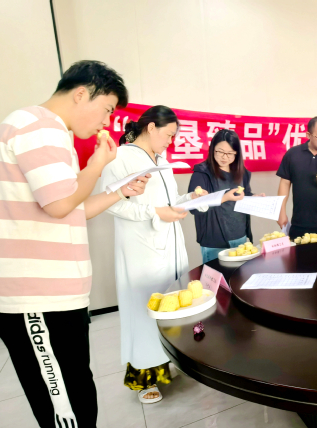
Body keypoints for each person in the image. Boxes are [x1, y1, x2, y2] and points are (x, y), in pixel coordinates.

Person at [0, 60, 149, 428]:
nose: (106, 121)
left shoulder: (46, 129)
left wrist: (120, 191)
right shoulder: (39, 127)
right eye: (107, 109)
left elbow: (71, 208)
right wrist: (97, 164)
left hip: (48, 294)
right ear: (81, 93)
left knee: (75, 389)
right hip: (34, 296)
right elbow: (61, 205)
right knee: (66, 402)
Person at [101, 106, 241, 403]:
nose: (171, 141)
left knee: (173, 306)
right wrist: (155, 212)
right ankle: (144, 379)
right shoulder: (121, 157)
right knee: (145, 309)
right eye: (169, 135)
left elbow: (170, 202)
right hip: (140, 249)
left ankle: (165, 365)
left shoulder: (162, 161)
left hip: (169, 246)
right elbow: (111, 203)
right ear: (151, 127)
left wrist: (190, 198)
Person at [190, 129, 260, 262]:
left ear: (237, 153)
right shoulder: (202, 173)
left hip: (240, 237)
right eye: (220, 152)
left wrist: (253, 198)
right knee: (217, 276)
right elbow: (193, 208)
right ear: (212, 149)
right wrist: (224, 198)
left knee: (240, 275)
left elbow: (243, 195)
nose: (225, 157)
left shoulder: (242, 172)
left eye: (230, 153)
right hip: (214, 241)